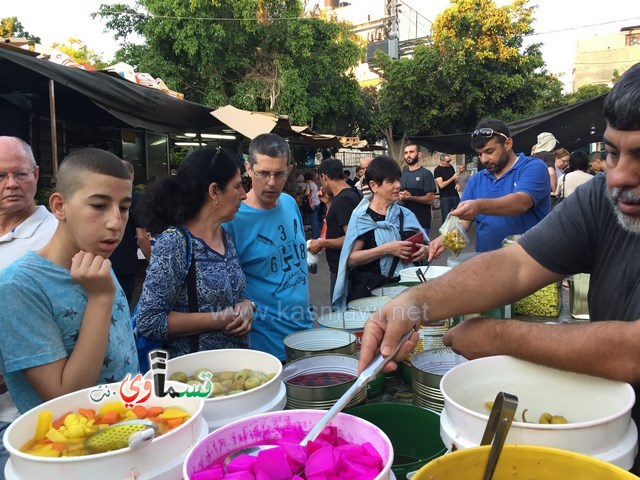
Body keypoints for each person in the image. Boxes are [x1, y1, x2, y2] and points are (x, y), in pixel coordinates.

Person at [357, 62, 640, 450]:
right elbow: (517, 264)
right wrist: (415, 302)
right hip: (612, 430)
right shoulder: (601, 199)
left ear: (508, 143)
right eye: (611, 153)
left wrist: (503, 337)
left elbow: (633, 351)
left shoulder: (533, 171)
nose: (620, 176)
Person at [0, 148, 139, 415]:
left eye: (124, 208)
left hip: (133, 429)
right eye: (99, 206)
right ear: (59, 206)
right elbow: (67, 400)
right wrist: (100, 298)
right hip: (71, 451)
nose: (115, 222)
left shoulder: (97, 261)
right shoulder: (18, 287)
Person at [134, 148, 253, 360]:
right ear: (214, 191)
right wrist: (220, 319)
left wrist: (247, 306)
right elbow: (149, 320)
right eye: (237, 186)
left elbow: (232, 295)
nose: (244, 194)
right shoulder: (175, 243)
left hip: (232, 371)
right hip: (194, 380)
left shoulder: (225, 237)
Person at [224, 133, 312, 361]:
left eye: (279, 174)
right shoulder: (233, 220)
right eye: (263, 173)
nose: (272, 182)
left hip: (304, 331)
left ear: (289, 170)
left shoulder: (290, 203)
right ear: (248, 168)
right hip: (266, 344)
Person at [431, 119, 550, 254]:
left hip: (528, 264)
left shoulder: (533, 167)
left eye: (489, 151)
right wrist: (441, 240)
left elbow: (521, 202)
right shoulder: (477, 179)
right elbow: (464, 220)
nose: (484, 159)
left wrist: (479, 206)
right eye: (480, 154)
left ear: (508, 144)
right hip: (486, 263)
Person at [332, 155, 428, 310]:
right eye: (391, 181)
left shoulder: (405, 214)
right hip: (370, 296)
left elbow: (423, 248)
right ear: (374, 186)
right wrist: (387, 249)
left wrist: (424, 251)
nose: (398, 185)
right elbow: (351, 259)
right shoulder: (362, 217)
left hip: (403, 292)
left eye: (398, 179)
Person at [0, 136, 57, 270]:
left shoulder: (59, 235)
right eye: (0, 176)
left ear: (35, 175)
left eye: (20, 174)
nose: (11, 184)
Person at [308, 159, 362, 300]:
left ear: (324, 177)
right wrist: (328, 202)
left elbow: (351, 239)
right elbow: (338, 221)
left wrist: (323, 243)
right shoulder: (349, 194)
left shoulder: (344, 200)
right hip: (342, 269)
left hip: (344, 271)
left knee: (340, 317)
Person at [109, 160, 151, 306]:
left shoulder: (104, 197)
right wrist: (152, 262)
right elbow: (142, 237)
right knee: (123, 306)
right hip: (125, 263)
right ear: (132, 175)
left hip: (103, 260)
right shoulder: (136, 199)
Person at [399, 142, 436, 238]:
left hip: (421, 223)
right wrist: (400, 196)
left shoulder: (426, 174)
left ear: (419, 154)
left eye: (411, 152)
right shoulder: (402, 174)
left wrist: (411, 197)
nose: (408, 155)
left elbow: (430, 199)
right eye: (406, 153)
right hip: (403, 224)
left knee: (421, 252)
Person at [433, 153, 460, 219]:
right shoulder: (437, 170)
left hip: (455, 194)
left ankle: (458, 228)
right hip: (445, 197)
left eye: (450, 161)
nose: (449, 163)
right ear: (442, 161)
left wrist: (457, 183)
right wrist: (452, 178)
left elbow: (455, 179)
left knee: (460, 214)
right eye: (447, 161)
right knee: (446, 217)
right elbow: (441, 185)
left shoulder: (451, 167)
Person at [303, 171, 321, 239]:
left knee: (313, 220)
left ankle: (314, 236)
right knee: (316, 220)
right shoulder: (314, 184)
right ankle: (316, 235)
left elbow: (307, 193)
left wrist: (303, 194)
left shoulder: (308, 184)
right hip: (317, 202)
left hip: (312, 203)